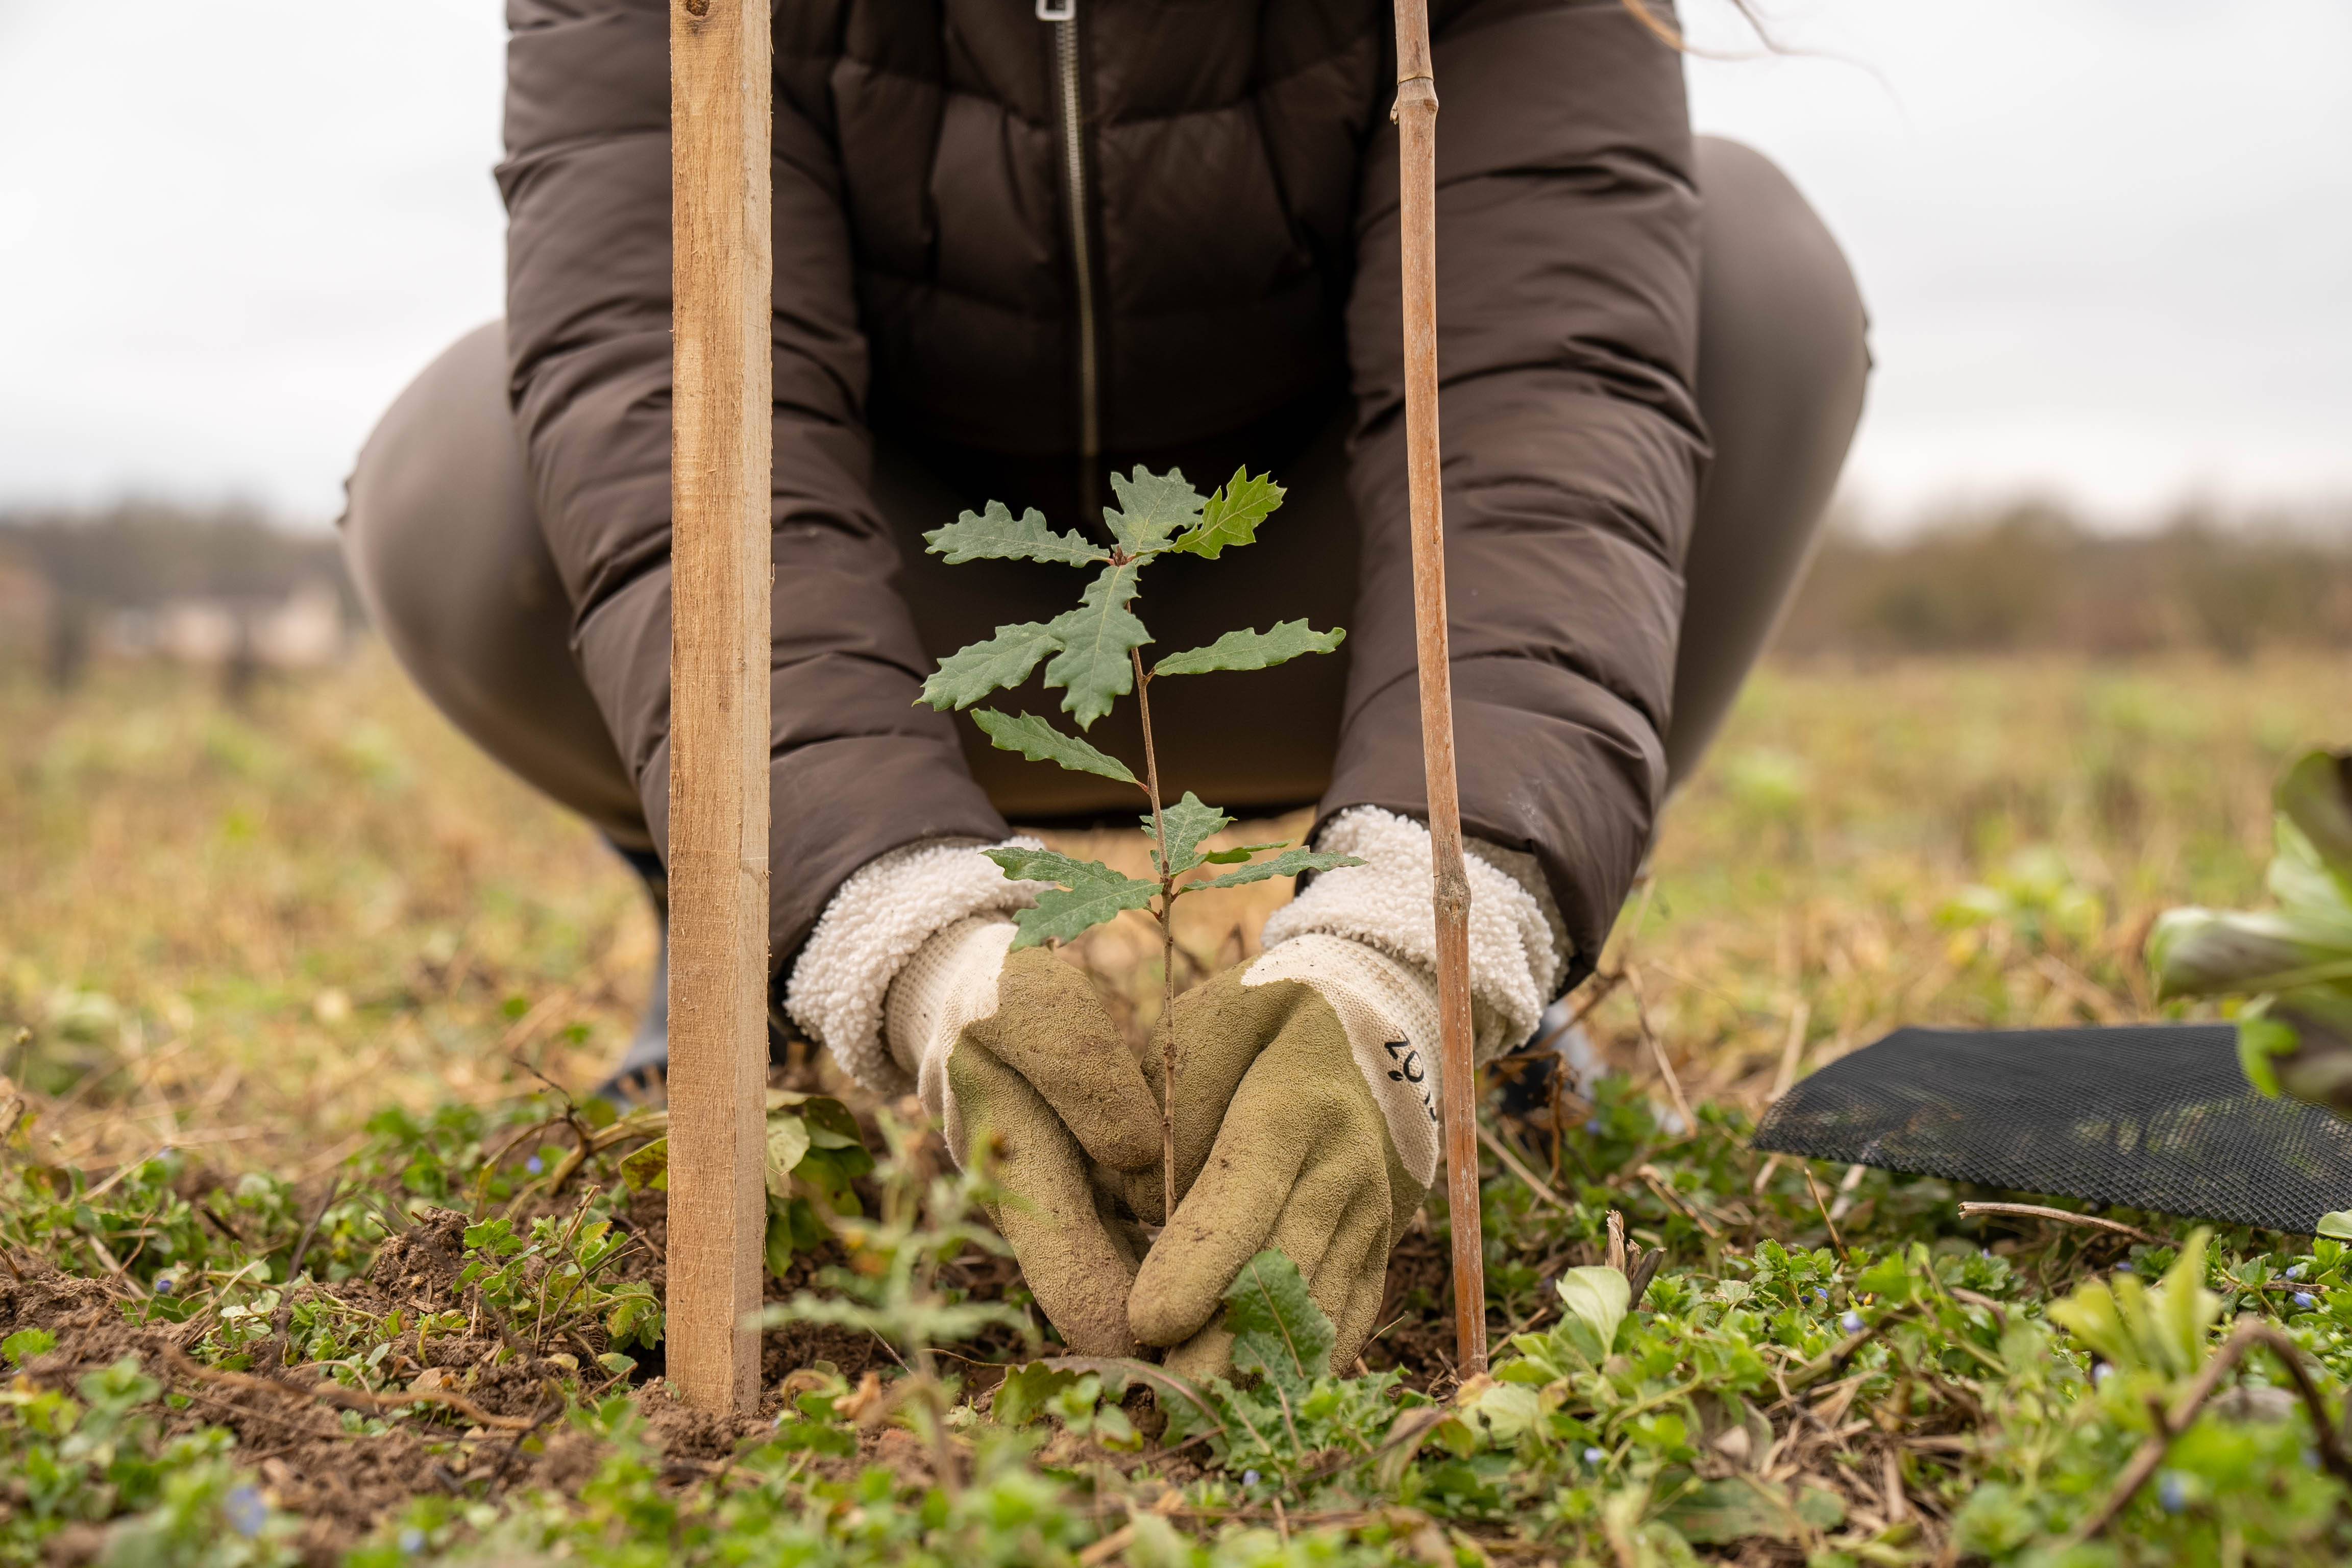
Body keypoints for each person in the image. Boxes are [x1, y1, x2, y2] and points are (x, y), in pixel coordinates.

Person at [341, 0, 1867, 1376]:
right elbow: (666, 386)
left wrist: (1424, 945)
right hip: (904, 592)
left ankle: (1507, 969)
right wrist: (893, 927)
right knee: (478, 470)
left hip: (1313, 574)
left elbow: (1539, 397)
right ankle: (750, 921)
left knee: (1749, 273)